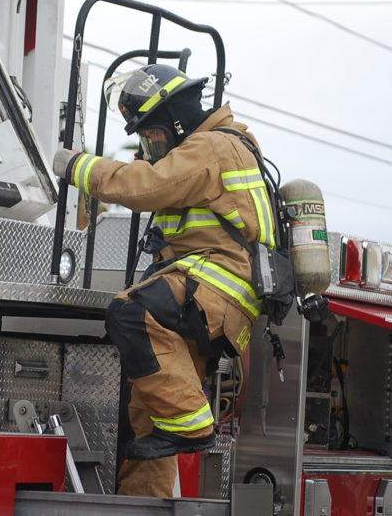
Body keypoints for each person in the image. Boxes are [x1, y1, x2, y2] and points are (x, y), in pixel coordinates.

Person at [52, 64, 275, 498]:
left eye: (154, 136)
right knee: (151, 409)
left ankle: (193, 427)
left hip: (219, 287)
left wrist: (75, 165)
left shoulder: (211, 146)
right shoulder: (211, 149)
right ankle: (143, 504)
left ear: (177, 121)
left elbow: (144, 188)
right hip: (213, 291)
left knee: (130, 312)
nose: (152, 149)